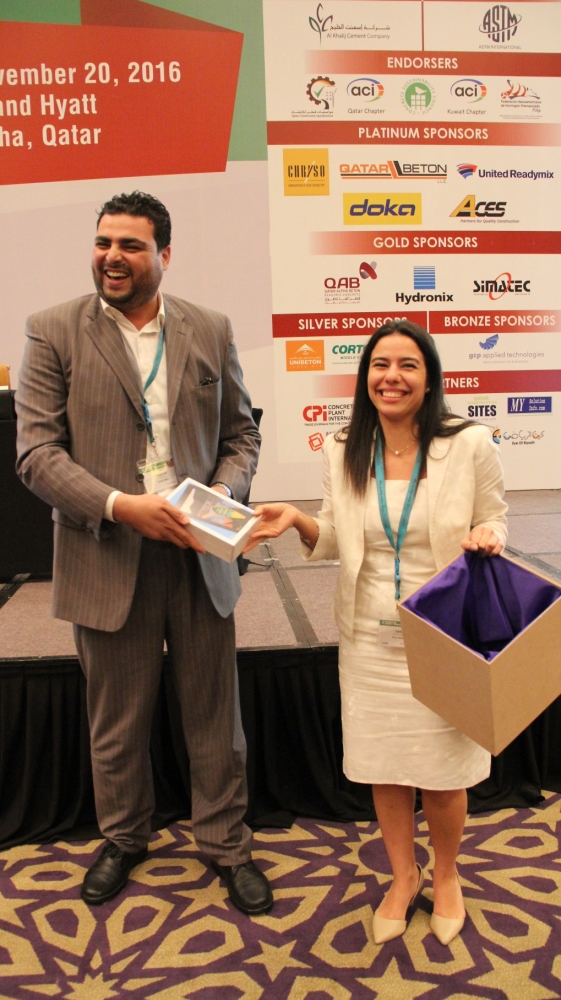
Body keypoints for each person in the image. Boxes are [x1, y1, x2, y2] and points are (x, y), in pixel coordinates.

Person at [16, 191, 273, 916]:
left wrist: (219, 495)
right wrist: (121, 506)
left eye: (130, 245)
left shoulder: (209, 328)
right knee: (117, 719)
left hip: (197, 553)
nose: (112, 257)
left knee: (215, 717)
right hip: (108, 551)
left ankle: (226, 845)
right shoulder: (52, 331)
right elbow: (37, 454)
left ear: (164, 254)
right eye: (103, 243)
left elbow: (241, 436)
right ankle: (124, 838)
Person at [245, 320, 507, 945]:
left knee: (442, 771)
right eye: (380, 365)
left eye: (408, 365)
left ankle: (447, 875)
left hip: (444, 632)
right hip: (368, 635)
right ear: (365, 376)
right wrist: (298, 521)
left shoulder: (469, 443)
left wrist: (489, 534)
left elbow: (495, 516)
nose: (392, 377)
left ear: (429, 378)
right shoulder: (343, 448)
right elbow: (337, 536)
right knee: (385, 765)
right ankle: (403, 875)